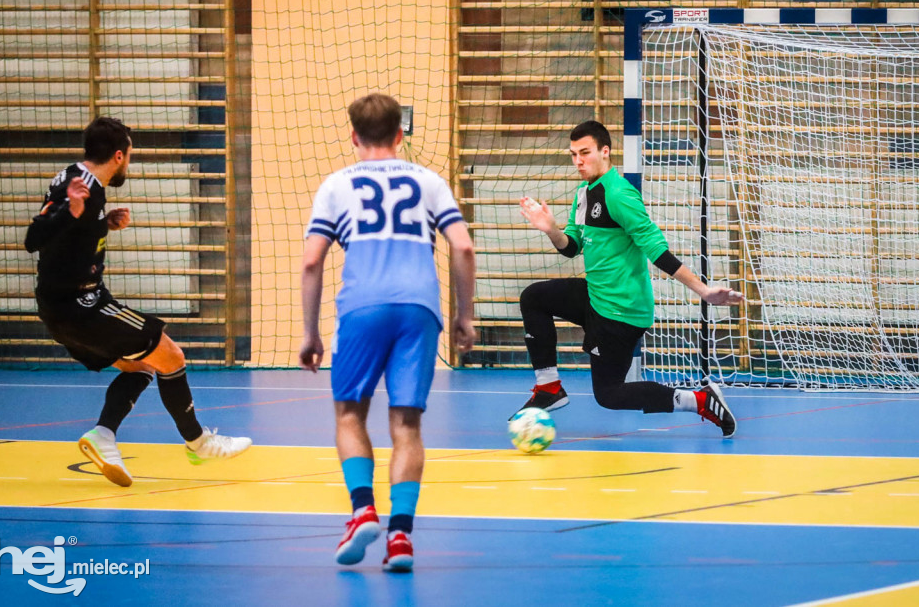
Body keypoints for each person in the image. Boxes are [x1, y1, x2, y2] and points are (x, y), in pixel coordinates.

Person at [299, 93, 476, 572]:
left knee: (349, 413)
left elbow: (313, 259)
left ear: (354, 136)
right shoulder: (430, 181)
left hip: (363, 306)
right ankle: (401, 538)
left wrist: (309, 331)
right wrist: (465, 315)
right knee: (407, 425)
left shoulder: (337, 185)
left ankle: (362, 512)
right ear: (401, 134)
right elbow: (462, 247)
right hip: (420, 307)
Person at [24, 116, 252, 488]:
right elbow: (33, 238)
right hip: (82, 306)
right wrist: (74, 212)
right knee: (172, 356)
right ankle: (198, 442)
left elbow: (66, 238)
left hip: (61, 307)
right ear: (118, 155)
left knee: (141, 366)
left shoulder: (82, 181)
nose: (128, 162)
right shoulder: (77, 188)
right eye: (129, 155)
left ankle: (104, 435)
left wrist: (101, 224)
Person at [515, 120, 742, 437]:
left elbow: (657, 250)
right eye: (573, 154)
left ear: (604, 152)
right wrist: (550, 229)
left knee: (609, 395)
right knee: (534, 298)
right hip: (596, 295)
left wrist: (703, 291)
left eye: (585, 153)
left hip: (621, 311)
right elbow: (572, 247)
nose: (579, 161)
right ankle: (549, 388)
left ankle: (701, 400)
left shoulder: (620, 195)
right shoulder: (584, 193)